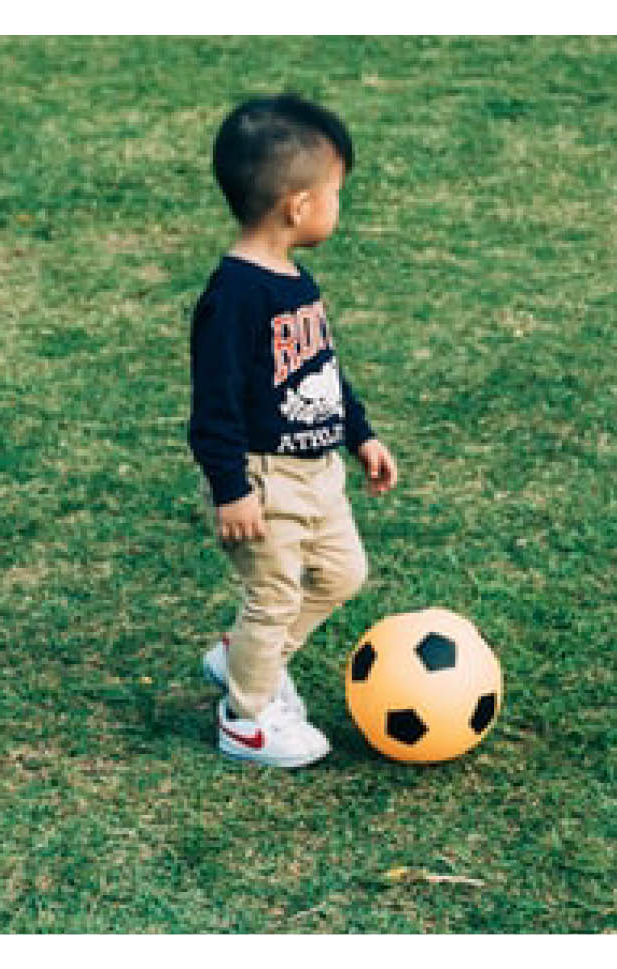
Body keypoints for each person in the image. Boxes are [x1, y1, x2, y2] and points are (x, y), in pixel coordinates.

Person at [187, 93, 397, 767]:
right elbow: (213, 406)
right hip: (264, 479)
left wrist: (359, 433)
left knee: (342, 573)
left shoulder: (295, 282)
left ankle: (242, 654)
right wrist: (231, 489)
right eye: (337, 192)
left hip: (320, 473)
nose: (340, 206)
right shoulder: (233, 297)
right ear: (299, 205)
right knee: (272, 593)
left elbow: (321, 369)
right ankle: (245, 718)